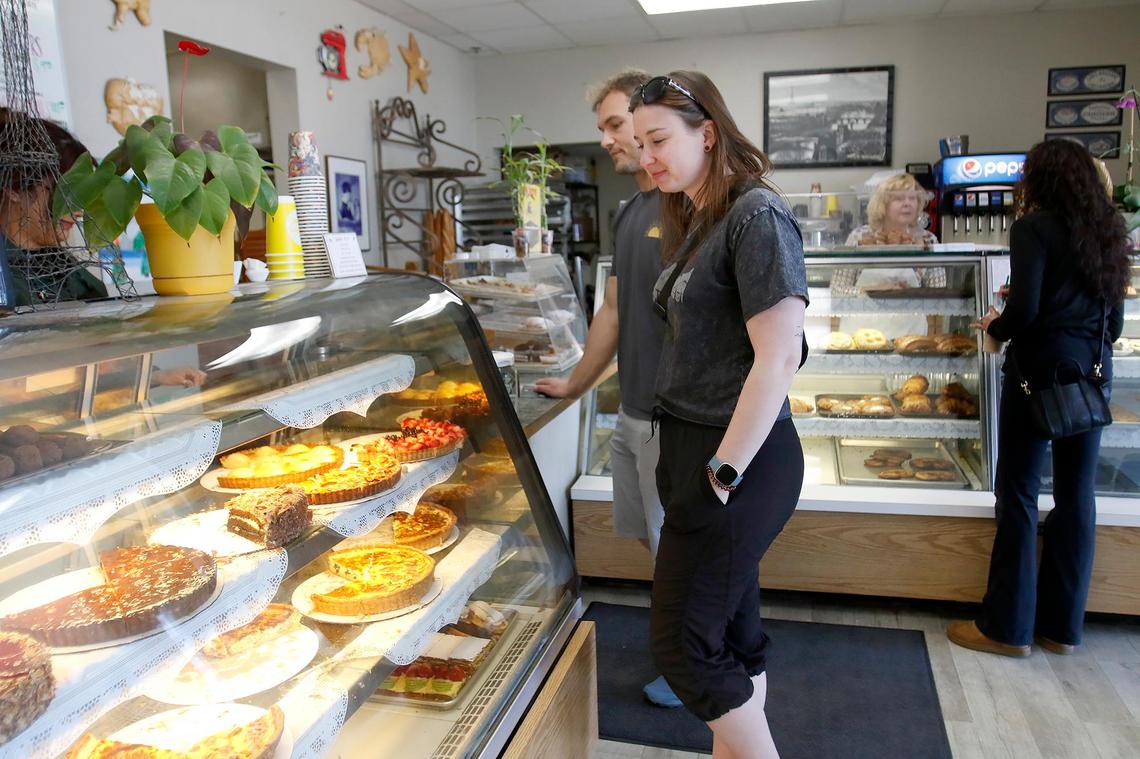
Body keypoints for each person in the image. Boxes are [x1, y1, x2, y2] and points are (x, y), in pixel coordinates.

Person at [630, 71, 807, 758]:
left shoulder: (756, 216)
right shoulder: (703, 215)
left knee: (682, 647)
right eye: (640, 141)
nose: (647, 156)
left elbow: (778, 357)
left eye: (659, 139)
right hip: (698, 450)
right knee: (732, 636)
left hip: (735, 456)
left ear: (707, 133)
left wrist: (721, 472)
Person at [947, 139, 1130, 658]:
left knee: (1020, 496)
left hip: (1036, 376)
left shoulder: (1033, 228)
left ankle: (1006, 629)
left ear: (1040, 180)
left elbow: (1023, 311)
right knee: (1077, 497)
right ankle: (1062, 628)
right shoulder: (1109, 232)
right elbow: (1113, 326)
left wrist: (993, 326)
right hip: (1091, 377)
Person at [532, 69, 680, 708]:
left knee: (685, 551)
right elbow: (614, 312)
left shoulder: (694, 205)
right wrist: (575, 383)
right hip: (636, 412)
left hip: (680, 421)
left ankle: (700, 667)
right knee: (659, 544)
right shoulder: (630, 212)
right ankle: (695, 654)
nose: (613, 141)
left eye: (617, 125)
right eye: (608, 129)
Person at [0, 109, 108, 308]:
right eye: (66, 191)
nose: (79, 210)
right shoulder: (6, 285)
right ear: (14, 188)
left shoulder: (80, 279)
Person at [832, 172, 942, 296]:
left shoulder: (929, 240)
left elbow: (939, 294)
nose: (907, 203)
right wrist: (872, 291)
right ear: (882, 204)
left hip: (911, 314)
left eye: (912, 198)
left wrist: (911, 293)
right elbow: (837, 291)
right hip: (866, 314)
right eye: (899, 198)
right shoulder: (859, 237)